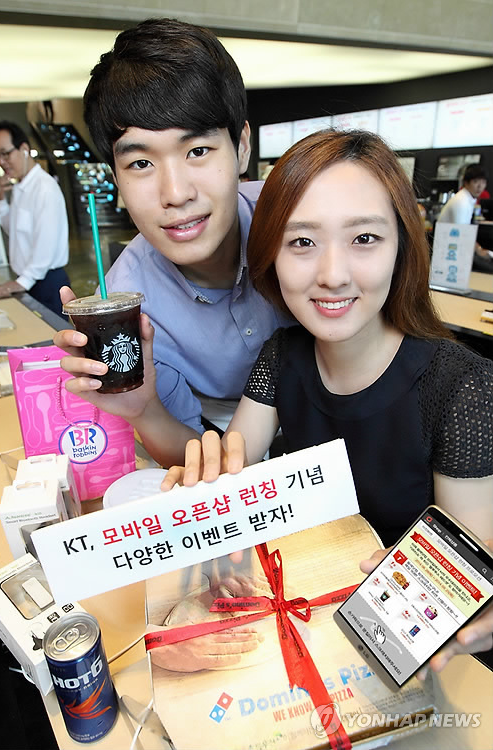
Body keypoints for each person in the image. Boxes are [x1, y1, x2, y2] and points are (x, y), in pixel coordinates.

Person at [161, 129, 493, 677]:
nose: (332, 275)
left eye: (364, 238)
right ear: (270, 253)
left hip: (415, 653)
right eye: (301, 242)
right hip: (309, 620)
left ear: (402, 248)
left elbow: (467, 577)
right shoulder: (282, 355)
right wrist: (202, 497)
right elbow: (234, 477)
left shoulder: (462, 388)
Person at [54, 18, 288, 467]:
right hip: (223, 440)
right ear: (116, 178)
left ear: (241, 147)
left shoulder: (298, 220)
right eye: (141, 163)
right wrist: (143, 410)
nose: (176, 194)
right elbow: (190, 455)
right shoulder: (127, 309)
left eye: (197, 151)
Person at [0, 121, 70, 316]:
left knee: (51, 333)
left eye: (5, 154)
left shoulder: (44, 188)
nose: (1, 162)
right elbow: (14, 232)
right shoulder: (20, 186)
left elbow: (46, 244)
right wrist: (0, 199)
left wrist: (22, 282)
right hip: (29, 280)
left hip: (46, 282)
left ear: (24, 149)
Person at [437, 163, 492, 272]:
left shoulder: (467, 198)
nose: (480, 186)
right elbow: (462, 235)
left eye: (483, 182)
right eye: (475, 182)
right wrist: (479, 250)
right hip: (450, 252)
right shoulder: (461, 201)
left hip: (456, 248)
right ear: (466, 183)